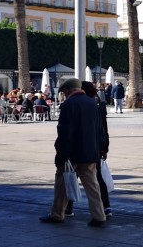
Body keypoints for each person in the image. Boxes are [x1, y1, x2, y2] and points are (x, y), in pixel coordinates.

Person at [40, 77, 106, 227]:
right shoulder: (92, 103)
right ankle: (99, 215)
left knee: (62, 184)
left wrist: (62, 154)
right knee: (92, 186)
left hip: (72, 153)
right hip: (90, 152)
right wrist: (99, 149)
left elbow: (65, 132)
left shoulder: (69, 104)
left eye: (64, 92)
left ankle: (57, 214)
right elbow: (99, 129)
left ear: (68, 91)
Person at [65, 81, 112, 219]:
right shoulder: (99, 104)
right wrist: (105, 146)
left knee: (71, 176)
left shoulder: (84, 104)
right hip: (96, 146)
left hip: (82, 146)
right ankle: (106, 207)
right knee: (96, 177)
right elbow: (104, 127)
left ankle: (68, 206)